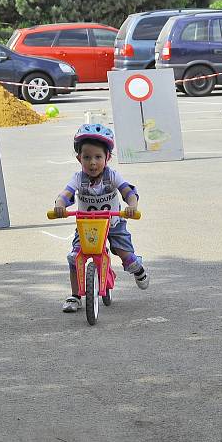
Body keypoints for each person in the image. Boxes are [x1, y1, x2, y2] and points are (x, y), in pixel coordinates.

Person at [53, 124, 149, 312]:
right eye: (87, 157)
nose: (93, 163)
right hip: (87, 226)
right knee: (75, 257)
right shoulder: (78, 178)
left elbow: (128, 192)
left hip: (113, 224)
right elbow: (66, 194)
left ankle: (138, 268)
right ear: (79, 158)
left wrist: (132, 206)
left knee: (126, 256)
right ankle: (74, 296)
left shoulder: (112, 176)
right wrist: (60, 205)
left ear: (108, 158)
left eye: (98, 157)